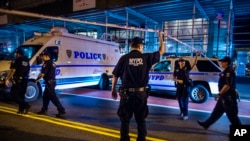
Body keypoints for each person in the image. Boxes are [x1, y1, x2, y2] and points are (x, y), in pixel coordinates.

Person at [111, 31, 165, 141]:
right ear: (140, 46)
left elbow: (115, 75)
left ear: (131, 46)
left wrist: (113, 90)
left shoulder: (124, 58)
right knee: (141, 120)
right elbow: (162, 51)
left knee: (125, 120)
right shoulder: (146, 57)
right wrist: (160, 36)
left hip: (126, 95)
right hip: (141, 95)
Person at [197, 56, 241, 129]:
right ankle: (206, 124)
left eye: (222, 62)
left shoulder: (228, 71)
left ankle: (240, 133)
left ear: (227, 62)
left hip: (228, 97)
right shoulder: (226, 71)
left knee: (232, 116)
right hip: (224, 97)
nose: (221, 63)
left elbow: (227, 85)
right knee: (216, 112)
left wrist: (219, 94)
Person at [35, 51, 66, 118]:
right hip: (51, 82)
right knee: (45, 97)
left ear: (46, 56)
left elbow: (42, 74)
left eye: (42, 56)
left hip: (50, 83)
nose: (41, 57)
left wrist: (37, 80)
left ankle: (61, 110)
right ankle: (44, 110)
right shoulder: (52, 63)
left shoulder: (46, 64)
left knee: (53, 98)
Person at [173, 51, 199, 120]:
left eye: (183, 61)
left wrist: (196, 56)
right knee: (179, 99)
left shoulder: (187, 68)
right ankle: (182, 111)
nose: (182, 62)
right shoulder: (176, 69)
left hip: (186, 85)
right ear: (179, 63)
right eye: (181, 61)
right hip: (179, 86)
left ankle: (185, 114)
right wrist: (178, 80)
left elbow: (194, 64)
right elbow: (174, 78)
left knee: (185, 100)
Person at [5, 49, 31, 114]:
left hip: (18, 80)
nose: (15, 55)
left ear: (18, 54)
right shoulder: (27, 60)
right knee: (21, 95)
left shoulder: (17, 60)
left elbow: (13, 70)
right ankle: (21, 110)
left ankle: (26, 105)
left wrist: (7, 79)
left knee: (13, 95)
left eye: (16, 53)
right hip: (25, 79)